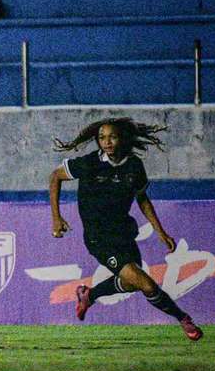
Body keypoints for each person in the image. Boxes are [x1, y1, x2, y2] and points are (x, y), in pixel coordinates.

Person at [49, 117, 203, 341]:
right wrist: (56, 218)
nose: (107, 142)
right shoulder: (90, 163)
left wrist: (160, 232)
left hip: (123, 234)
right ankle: (183, 319)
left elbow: (142, 200)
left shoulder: (134, 166)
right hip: (98, 239)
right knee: (147, 284)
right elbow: (55, 176)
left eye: (112, 136)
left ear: (121, 139)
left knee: (131, 284)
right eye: (102, 138)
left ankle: (89, 295)